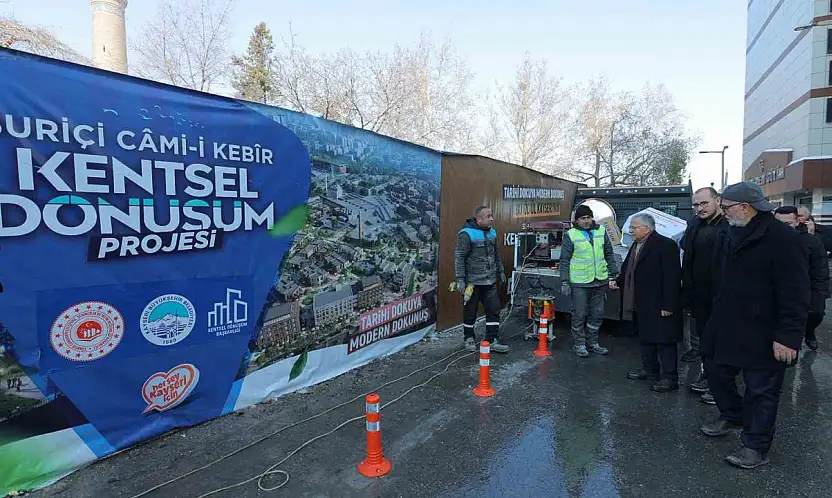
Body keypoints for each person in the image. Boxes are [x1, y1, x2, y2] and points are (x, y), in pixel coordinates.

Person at [700, 182, 809, 469]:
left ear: (746, 207)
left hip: (765, 330)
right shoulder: (729, 232)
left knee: (761, 390)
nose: (723, 213)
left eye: (726, 208)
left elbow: (796, 292)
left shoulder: (781, 238)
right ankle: (733, 413)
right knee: (714, 369)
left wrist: (788, 336)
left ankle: (755, 445)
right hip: (726, 321)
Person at [612, 213, 683, 393]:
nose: (630, 230)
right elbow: (629, 269)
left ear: (647, 228)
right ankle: (650, 369)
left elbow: (672, 278)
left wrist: (668, 305)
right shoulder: (636, 244)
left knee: (664, 341)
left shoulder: (665, 245)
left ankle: (670, 378)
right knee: (646, 339)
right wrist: (618, 281)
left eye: (634, 227)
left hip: (660, 303)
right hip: (641, 302)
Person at [680, 187, 729, 405]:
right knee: (705, 341)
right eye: (696, 205)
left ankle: (720, 386)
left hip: (723, 295)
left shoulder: (729, 226)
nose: (699, 208)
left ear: (717, 200)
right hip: (699, 294)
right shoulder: (694, 225)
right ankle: (708, 376)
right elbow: (688, 254)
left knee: (722, 342)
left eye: (704, 203)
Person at [559, 204, 619, 358]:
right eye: (582, 218)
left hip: (600, 281)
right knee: (578, 314)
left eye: (588, 217)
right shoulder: (570, 235)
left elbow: (609, 253)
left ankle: (592, 343)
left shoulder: (601, 230)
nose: (586, 221)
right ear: (576, 220)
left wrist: (614, 273)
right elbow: (564, 260)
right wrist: (565, 281)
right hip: (580, 283)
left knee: (597, 314)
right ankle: (579, 344)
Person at [455, 206, 509, 353]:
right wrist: (460, 279)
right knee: (470, 311)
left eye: (492, 215)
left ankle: (491, 340)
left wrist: (501, 270)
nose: (492, 219)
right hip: (471, 283)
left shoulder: (492, 232)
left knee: (493, 310)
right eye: (488, 216)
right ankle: (469, 338)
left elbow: (496, 253)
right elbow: (460, 257)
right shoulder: (466, 234)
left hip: (490, 281)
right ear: (479, 219)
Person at [774, 206, 829, 351]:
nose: (783, 228)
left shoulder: (812, 242)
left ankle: (809, 332)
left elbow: (820, 272)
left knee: (815, 315)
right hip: (778, 294)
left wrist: (818, 298)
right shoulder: (769, 240)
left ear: (797, 221)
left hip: (806, 291)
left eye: (788, 224)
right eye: (779, 224)